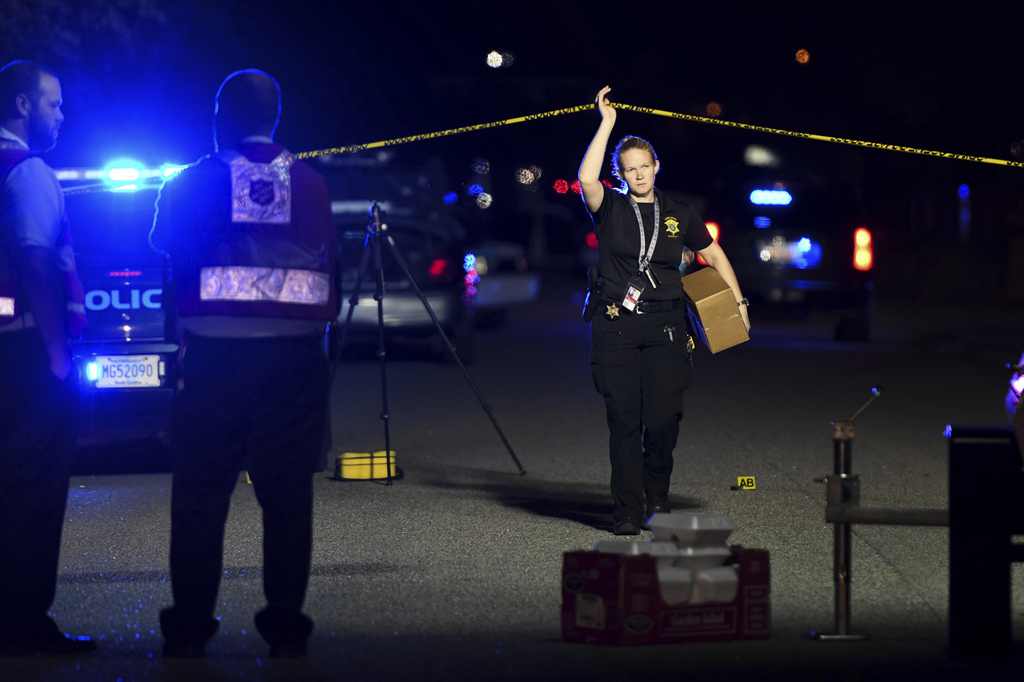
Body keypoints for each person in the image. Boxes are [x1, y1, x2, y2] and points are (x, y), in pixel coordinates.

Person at [150, 69, 337, 658]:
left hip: (215, 359)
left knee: (201, 495)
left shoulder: (191, 182)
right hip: (293, 359)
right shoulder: (310, 182)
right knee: (287, 496)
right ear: (275, 116)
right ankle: (285, 621)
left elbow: (162, 244)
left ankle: (190, 624)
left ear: (219, 117)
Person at [578, 86, 750, 536]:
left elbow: (715, 257)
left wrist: (738, 304)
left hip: (667, 325)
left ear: (656, 167)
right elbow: (586, 179)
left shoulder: (680, 213)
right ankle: (628, 510)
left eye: (644, 167)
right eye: (629, 169)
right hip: (615, 326)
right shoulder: (608, 206)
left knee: (661, 418)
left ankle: (658, 495)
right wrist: (607, 123)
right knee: (624, 421)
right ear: (621, 174)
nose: (638, 175)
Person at [0, 60, 94, 656]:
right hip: (23, 355)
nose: (62, 115)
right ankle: (26, 625)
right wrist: (59, 356)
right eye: (54, 104)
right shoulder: (26, 170)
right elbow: (36, 260)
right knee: (33, 493)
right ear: (23, 105)